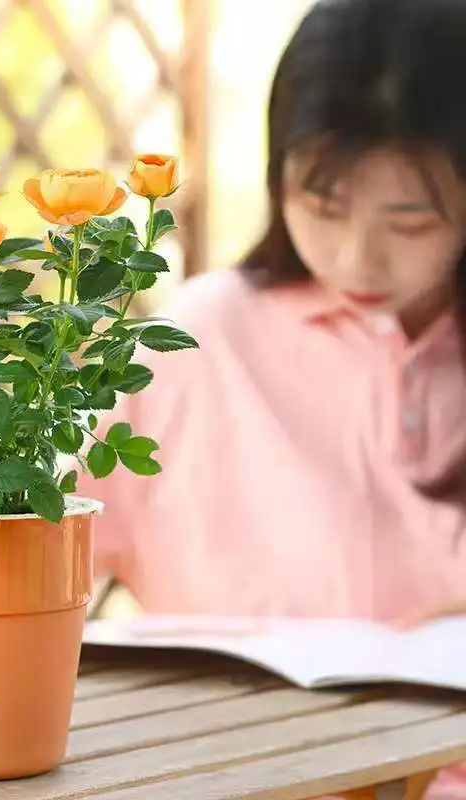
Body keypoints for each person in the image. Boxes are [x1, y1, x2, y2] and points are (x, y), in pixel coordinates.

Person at [76, 1, 466, 797]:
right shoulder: (197, 341)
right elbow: (22, 552)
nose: (359, 255)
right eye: (324, 205)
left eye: (411, 217)